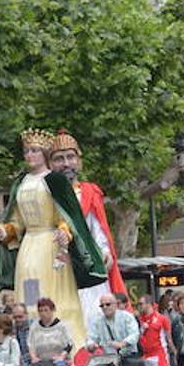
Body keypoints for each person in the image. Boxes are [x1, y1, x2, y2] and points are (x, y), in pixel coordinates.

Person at [0, 129, 108, 354]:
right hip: (29, 248)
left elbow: (69, 217)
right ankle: (33, 349)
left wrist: (65, 231)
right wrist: (5, 231)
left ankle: (69, 352)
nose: (29, 155)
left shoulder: (56, 181)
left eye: (34, 151)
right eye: (26, 151)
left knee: (58, 298)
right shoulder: (20, 183)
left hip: (52, 248)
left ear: (44, 153)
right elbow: (16, 221)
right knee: (30, 297)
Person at [48, 129, 125, 328]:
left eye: (70, 157)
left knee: (93, 318)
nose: (65, 163)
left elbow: (97, 229)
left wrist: (105, 251)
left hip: (87, 264)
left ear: (79, 161)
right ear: (49, 164)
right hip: (53, 264)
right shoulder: (44, 192)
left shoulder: (89, 192)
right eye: (59, 158)